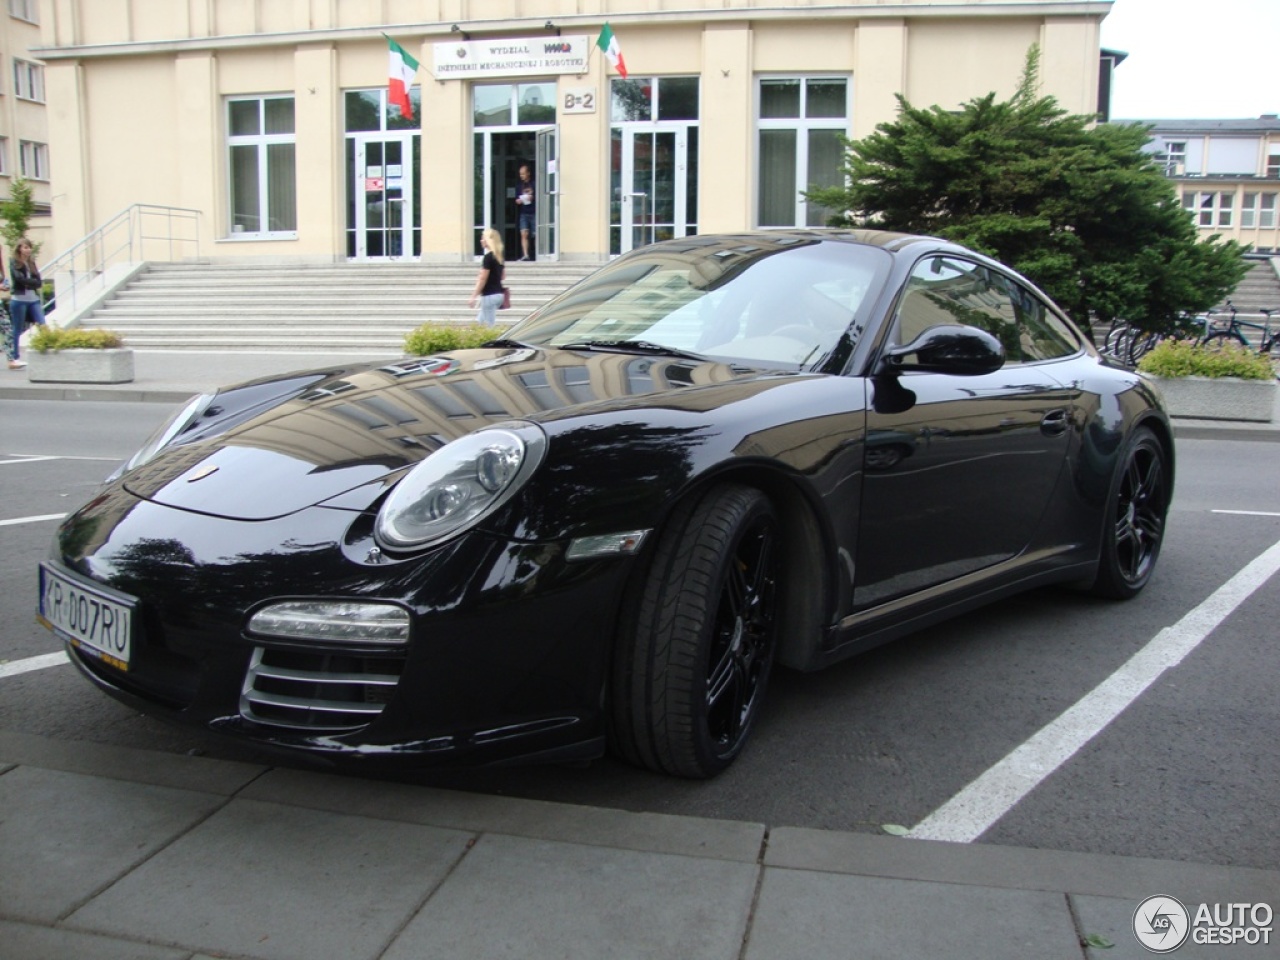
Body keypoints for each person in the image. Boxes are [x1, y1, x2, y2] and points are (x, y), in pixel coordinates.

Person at [8, 238, 43, 370]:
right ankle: (14, 358)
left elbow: (39, 282)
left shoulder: (32, 262)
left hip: (33, 299)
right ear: (19, 249)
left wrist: (30, 282)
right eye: (25, 247)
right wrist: (31, 282)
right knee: (17, 328)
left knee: (42, 324)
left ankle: (45, 353)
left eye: (29, 247)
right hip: (19, 299)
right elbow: (19, 279)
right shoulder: (14, 262)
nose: (28, 250)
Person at [468, 227, 506, 327]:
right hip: (499, 294)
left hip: (489, 295)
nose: (481, 240)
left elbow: (483, 279)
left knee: (489, 325)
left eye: (483, 238)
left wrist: (473, 296)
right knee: (479, 322)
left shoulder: (488, 257)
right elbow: (503, 276)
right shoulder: (499, 257)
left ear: (488, 240)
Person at [514, 163, 535, 261]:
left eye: (523, 174)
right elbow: (517, 199)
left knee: (536, 234)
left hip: (534, 212)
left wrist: (533, 198)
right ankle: (526, 255)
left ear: (528, 173)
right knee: (524, 234)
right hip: (524, 212)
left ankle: (539, 254)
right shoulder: (519, 186)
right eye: (520, 174)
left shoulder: (534, 184)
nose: (521, 176)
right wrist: (518, 201)